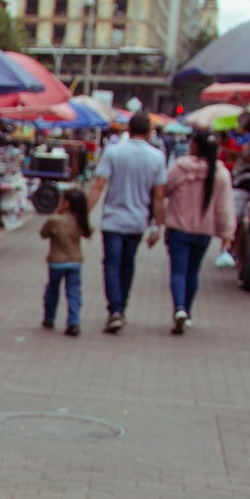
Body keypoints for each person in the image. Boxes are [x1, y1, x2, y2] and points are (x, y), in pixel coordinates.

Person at [88, 109, 165, 332]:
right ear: (150, 132)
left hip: (112, 219)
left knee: (111, 263)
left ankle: (115, 309)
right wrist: (158, 226)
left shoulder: (113, 152)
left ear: (128, 129)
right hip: (137, 221)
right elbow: (158, 196)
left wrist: (83, 214)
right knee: (128, 264)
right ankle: (122, 307)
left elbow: (98, 185)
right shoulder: (157, 157)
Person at [163, 126, 235, 334]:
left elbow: (164, 190)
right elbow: (225, 207)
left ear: (195, 145)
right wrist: (226, 235)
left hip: (178, 229)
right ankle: (188, 312)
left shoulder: (180, 168)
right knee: (193, 272)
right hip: (204, 232)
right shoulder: (220, 174)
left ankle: (179, 309)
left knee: (178, 271)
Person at [40, 185, 91, 336]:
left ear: (66, 203)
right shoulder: (80, 221)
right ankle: (73, 322)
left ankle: (49, 317)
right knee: (73, 292)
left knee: (52, 290)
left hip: (56, 262)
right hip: (75, 262)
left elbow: (43, 234)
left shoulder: (55, 220)